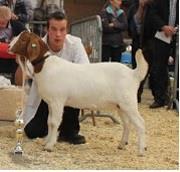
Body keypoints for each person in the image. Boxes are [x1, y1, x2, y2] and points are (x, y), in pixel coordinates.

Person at [17, 11, 89, 144]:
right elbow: (24, 75)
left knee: (71, 91)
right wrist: (22, 59)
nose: (58, 34)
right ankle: (53, 128)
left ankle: (69, 131)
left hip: (70, 96)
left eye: (62, 29)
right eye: (54, 29)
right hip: (44, 98)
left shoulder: (76, 44)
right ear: (47, 29)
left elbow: (85, 70)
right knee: (33, 132)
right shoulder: (37, 46)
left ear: (67, 30)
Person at [147, 0, 179, 108]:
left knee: (178, 68)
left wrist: (176, 29)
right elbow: (152, 14)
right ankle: (160, 98)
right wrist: (163, 27)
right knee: (158, 67)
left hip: (178, 37)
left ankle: (177, 98)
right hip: (162, 36)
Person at [127, 0, 153, 102]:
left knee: (149, 69)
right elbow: (131, 25)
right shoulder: (133, 8)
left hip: (149, 42)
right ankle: (136, 94)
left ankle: (156, 95)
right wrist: (140, 8)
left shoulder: (152, 7)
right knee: (136, 67)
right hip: (137, 42)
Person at [0, 5, 26, 83]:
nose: (1, 25)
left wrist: (17, 40)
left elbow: (27, 37)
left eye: (3, 23)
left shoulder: (17, 25)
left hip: (13, 57)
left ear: (9, 19)